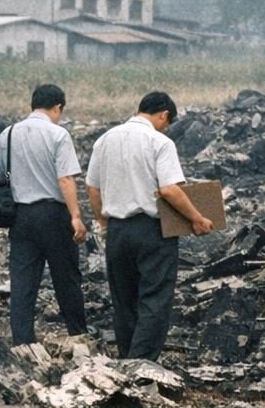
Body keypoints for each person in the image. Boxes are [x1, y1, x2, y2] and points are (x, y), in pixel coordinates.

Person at [85, 91, 213, 360]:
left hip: (117, 231)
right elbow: (169, 190)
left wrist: (102, 222)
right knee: (154, 297)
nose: (166, 127)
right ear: (164, 114)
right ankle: (141, 365)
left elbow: (92, 187)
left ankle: (126, 359)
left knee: (124, 300)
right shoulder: (160, 142)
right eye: (167, 122)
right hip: (152, 231)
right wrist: (197, 218)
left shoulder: (105, 140)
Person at [0, 83, 91, 361]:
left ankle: (23, 344)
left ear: (33, 105)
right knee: (66, 278)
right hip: (54, 215)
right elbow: (66, 178)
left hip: (20, 217)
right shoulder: (58, 134)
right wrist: (76, 217)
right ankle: (78, 337)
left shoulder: (8, 134)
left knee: (23, 282)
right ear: (57, 107)